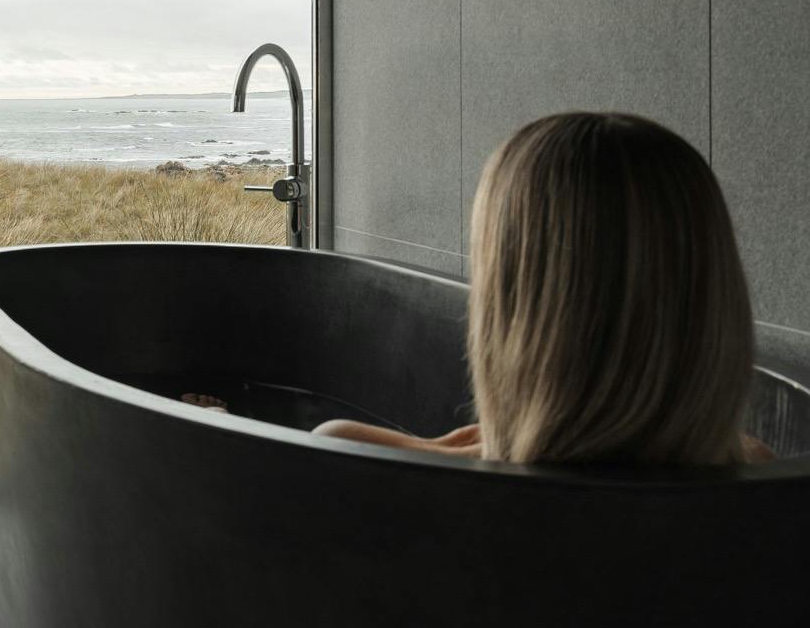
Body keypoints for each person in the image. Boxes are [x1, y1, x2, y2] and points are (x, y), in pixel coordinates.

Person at [317, 111, 770, 466]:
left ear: (514, 307)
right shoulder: (762, 487)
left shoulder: (346, 456)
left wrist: (453, 451)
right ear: (711, 301)